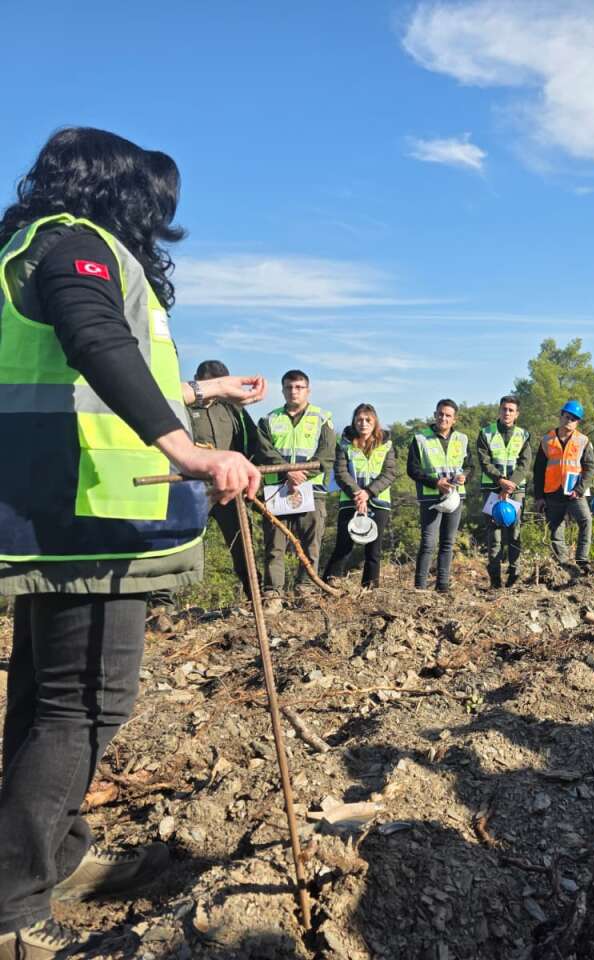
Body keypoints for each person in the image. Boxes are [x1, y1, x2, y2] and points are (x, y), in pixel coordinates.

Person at [0, 127, 263, 959]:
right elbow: (96, 342)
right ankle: (13, 909)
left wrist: (203, 391)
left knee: (46, 700)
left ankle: (54, 857)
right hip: (90, 519)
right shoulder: (75, 245)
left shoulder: (31, 246)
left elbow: (81, 366)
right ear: (116, 189)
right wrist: (190, 450)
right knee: (86, 705)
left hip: (56, 514)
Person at [186, 359, 281, 597]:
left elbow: (257, 441)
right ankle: (162, 605)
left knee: (242, 544)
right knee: (179, 542)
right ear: (197, 381)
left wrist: (284, 468)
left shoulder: (232, 409)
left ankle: (254, 596)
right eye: (210, 384)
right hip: (192, 489)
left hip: (230, 489)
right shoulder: (182, 408)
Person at [257, 370, 335, 592]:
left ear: (308, 391)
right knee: (274, 547)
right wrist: (287, 473)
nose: (294, 391)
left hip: (312, 490)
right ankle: (273, 594)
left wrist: (301, 475)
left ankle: (305, 591)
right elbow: (264, 452)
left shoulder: (322, 418)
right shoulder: (268, 420)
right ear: (282, 390)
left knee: (311, 546)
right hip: (277, 490)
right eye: (289, 387)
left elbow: (327, 454)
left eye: (299, 387)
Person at [323, 404, 398, 588]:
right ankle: (329, 585)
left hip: (378, 502)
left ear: (375, 422)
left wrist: (368, 493)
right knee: (343, 546)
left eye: (367, 420)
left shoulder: (386, 445)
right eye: (359, 420)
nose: (363, 423)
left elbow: (389, 473)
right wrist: (358, 494)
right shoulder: (344, 444)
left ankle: (370, 590)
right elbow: (340, 472)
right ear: (354, 422)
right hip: (350, 502)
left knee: (373, 551)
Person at [407, 399, 469, 592]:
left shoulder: (462, 439)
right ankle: (420, 588)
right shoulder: (420, 439)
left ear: (455, 419)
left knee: (447, 543)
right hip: (430, 497)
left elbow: (470, 466)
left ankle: (443, 587)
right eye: (440, 414)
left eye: (448, 415)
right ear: (435, 415)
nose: (444, 418)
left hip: (454, 497)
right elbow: (412, 469)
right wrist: (435, 483)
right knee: (428, 543)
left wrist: (465, 476)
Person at [475, 395, 534, 587]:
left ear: (517, 414)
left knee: (515, 531)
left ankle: (514, 576)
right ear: (499, 410)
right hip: (492, 489)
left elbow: (525, 463)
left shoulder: (523, 435)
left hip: (516, 490)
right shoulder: (486, 433)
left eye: (511, 410)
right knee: (494, 535)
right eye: (504, 409)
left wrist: (511, 484)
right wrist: (500, 480)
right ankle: (495, 580)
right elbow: (484, 461)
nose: (507, 413)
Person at [533, 400, 594, 574]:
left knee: (586, 521)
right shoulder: (547, 440)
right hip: (552, 492)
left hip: (575, 493)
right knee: (555, 529)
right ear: (561, 416)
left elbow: (590, 468)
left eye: (574, 419)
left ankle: (582, 560)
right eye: (567, 416)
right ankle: (563, 565)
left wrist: (580, 489)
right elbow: (538, 470)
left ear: (578, 422)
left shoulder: (583, 441)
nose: (569, 420)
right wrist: (539, 497)